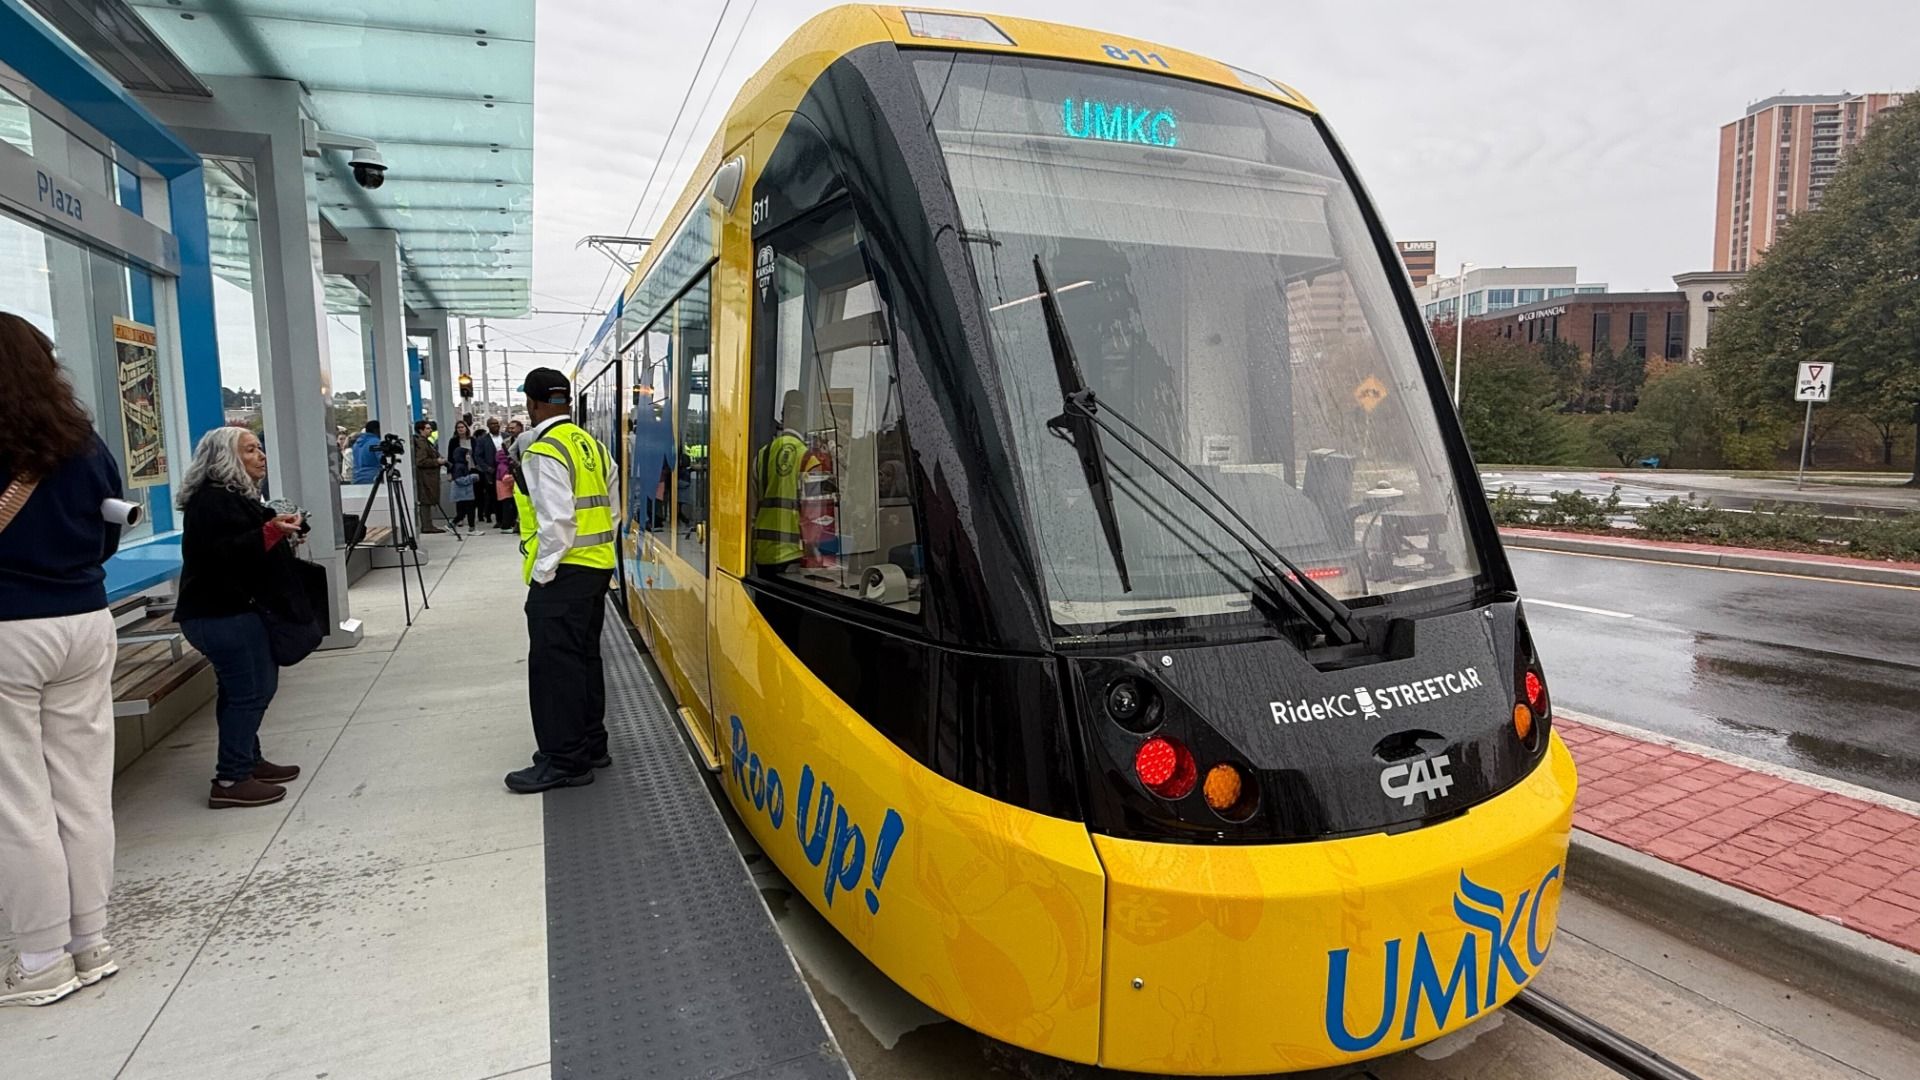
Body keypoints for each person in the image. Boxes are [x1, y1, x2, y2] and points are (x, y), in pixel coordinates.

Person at [0, 313, 125, 1007]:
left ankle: (42, 958)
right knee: (82, 790)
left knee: (18, 802)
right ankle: (91, 939)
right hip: (84, 619)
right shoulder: (81, 441)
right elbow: (108, 531)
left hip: (7, 630)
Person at [175, 427, 304, 810]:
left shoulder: (234, 498)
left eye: (259, 448)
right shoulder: (213, 502)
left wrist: (281, 528)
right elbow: (224, 555)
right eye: (250, 450)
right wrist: (269, 531)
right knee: (252, 691)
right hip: (221, 614)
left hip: (226, 612)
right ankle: (231, 777)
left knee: (239, 691)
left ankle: (247, 759)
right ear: (226, 459)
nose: (261, 455)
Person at [503, 369, 618, 794]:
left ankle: (565, 761)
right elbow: (613, 508)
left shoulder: (544, 450)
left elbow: (557, 521)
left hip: (564, 573)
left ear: (533, 404)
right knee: (585, 659)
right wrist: (601, 557)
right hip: (596, 567)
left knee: (554, 669)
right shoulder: (594, 447)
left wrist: (544, 572)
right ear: (565, 401)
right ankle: (591, 745)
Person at [752, 391, 808, 575]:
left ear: (783, 416)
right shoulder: (807, 456)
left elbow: (752, 506)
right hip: (794, 556)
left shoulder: (763, 454)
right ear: (801, 416)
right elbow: (814, 513)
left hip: (763, 553)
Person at [412, 419, 445, 534]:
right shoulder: (421, 443)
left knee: (427, 501)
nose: (430, 430)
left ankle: (428, 524)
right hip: (426, 477)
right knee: (425, 501)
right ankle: (427, 525)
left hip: (429, 476)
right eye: (427, 428)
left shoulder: (426, 441)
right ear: (421, 430)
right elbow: (420, 461)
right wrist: (436, 461)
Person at [448, 420, 477, 528]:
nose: (460, 429)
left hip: (472, 468)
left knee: (471, 496)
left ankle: (469, 519)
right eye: (458, 427)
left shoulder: (472, 440)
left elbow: (477, 454)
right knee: (461, 497)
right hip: (459, 470)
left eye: (462, 427)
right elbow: (450, 456)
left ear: (466, 428)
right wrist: (450, 472)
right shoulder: (454, 441)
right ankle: (460, 518)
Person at [471, 417, 499, 526]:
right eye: (492, 424)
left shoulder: (505, 437)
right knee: (492, 496)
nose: (496, 425)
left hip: (505, 471)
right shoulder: (483, 440)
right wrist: (486, 468)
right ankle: (496, 518)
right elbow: (478, 456)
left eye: (497, 423)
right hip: (490, 472)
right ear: (488, 426)